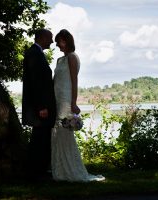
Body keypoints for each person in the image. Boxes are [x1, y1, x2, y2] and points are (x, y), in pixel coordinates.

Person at [51, 29, 105, 182]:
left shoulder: (73, 58)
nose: (57, 45)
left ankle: (71, 171)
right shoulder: (59, 60)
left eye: (59, 42)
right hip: (57, 99)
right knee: (56, 134)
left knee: (64, 132)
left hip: (66, 100)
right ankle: (60, 171)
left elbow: (74, 81)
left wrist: (73, 102)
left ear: (66, 41)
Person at [22, 28, 56, 181]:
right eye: (50, 38)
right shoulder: (34, 54)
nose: (52, 41)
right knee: (39, 141)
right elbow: (36, 83)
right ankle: (36, 172)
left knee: (41, 139)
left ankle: (38, 170)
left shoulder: (37, 53)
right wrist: (41, 106)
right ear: (42, 38)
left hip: (41, 107)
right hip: (39, 108)